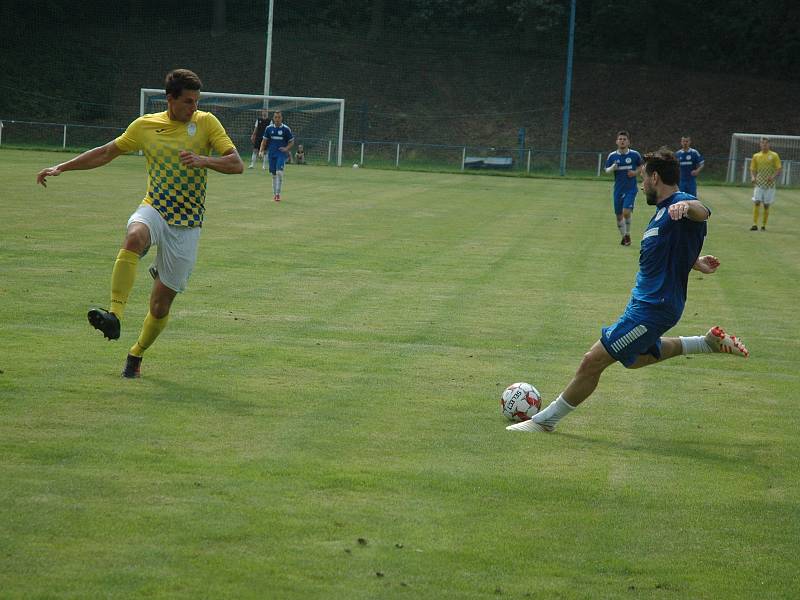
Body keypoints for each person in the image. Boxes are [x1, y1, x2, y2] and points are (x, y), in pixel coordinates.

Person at [508, 148, 749, 433]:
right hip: (647, 305)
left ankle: (544, 422)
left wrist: (687, 208)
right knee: (636, 359)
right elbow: (669, 251)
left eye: (644, 177)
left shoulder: (679, 204)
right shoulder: (662, 213)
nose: (641, 183)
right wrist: (694, 262)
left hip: (653, 309)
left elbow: (702, 211)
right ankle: (705, 343)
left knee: (593, 361)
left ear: (655, 177)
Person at [36, 69, 244, 378]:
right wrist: (62, 167)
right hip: (155, 208)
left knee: (160, 307)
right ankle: (114, 315)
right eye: (188, 101)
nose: (194, 108)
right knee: (134, 236)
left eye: (197, 101)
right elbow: (107, 152)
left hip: (187, 225)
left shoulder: (206, 123)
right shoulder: (145, 126)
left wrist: (205, 160)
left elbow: (236, 164)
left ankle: (136, 353)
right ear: (170, 100)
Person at [604, 131, 643, 246]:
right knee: (618, 216)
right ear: (617, 141)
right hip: (618, 189)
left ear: (628, 142)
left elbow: (641, 166)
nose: (622, 141)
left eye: (624, 139)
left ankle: (628, 233)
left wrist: (635, 172)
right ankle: (624, 236)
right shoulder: (612, 156)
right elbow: (606, 170)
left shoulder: (635, 155)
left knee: (626, 211)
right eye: (620, 139)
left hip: (631, 189)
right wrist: (612, 168)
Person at [258, 110, 294, 202]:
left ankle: (278, 194)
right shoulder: (269, 129)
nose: (277, 119)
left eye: (279, 117)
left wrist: (286, 149)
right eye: (276, 117)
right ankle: (275, 194)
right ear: (273, 118)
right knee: (274, 175)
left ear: (281, 118)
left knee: (279, 173)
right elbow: (264, 141)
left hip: (281, 154)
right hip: (272, 154)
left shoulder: (286, 129)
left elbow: (291, 142)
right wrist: (261, 151)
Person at [750, 137, 782, 231]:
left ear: (769, 144)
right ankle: (754, 224)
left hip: (770, 185)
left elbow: (779, 168)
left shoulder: (774, 155)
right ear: (760, 144)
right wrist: (752, 177)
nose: (764, 145)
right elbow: (752, 168)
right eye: (762, 143)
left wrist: (773, 177)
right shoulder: (756, 156)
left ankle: (763, 225)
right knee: (757, 202)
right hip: (759, 183)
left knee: (766, 205)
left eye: (766, 143)